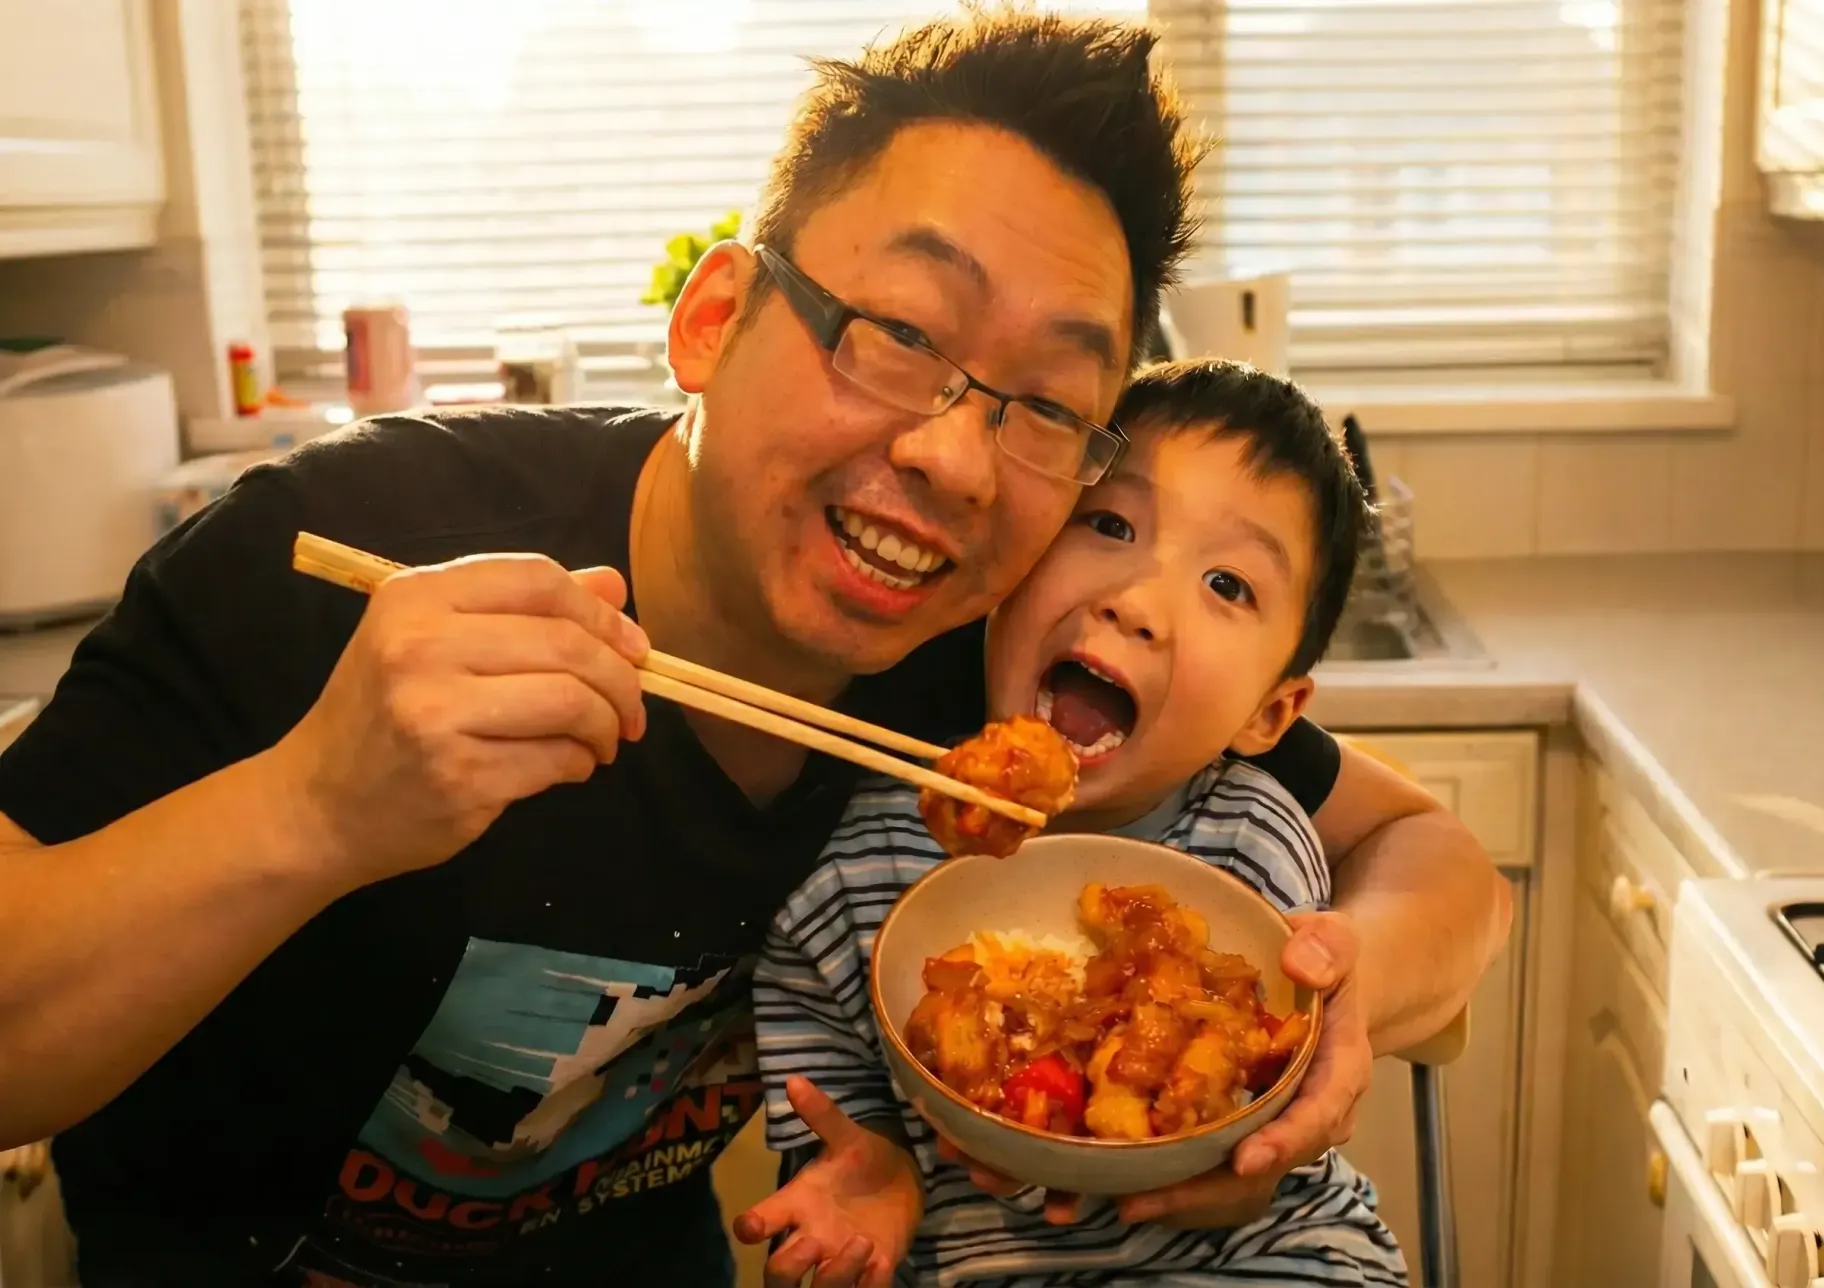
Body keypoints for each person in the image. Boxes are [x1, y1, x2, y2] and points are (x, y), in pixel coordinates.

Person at [0, 9, 1508, 1287]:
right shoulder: (353, 547)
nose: (958, 462)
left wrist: (1336, 993)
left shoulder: (986, 649)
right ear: (715, 319)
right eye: (903, 332)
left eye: (1046, 407)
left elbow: (1428, 854)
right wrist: (315, 808)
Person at [744, 359, 1406, 1288]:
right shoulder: (857, 866)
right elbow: (841, 1114)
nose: (1135, 602)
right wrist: (870, 1173)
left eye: (1227, 583)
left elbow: (1275, 1085)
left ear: (1270, 712)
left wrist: (1260, 1156)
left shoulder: (1261, 838)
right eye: (1108, 524)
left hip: (1269, 1253)